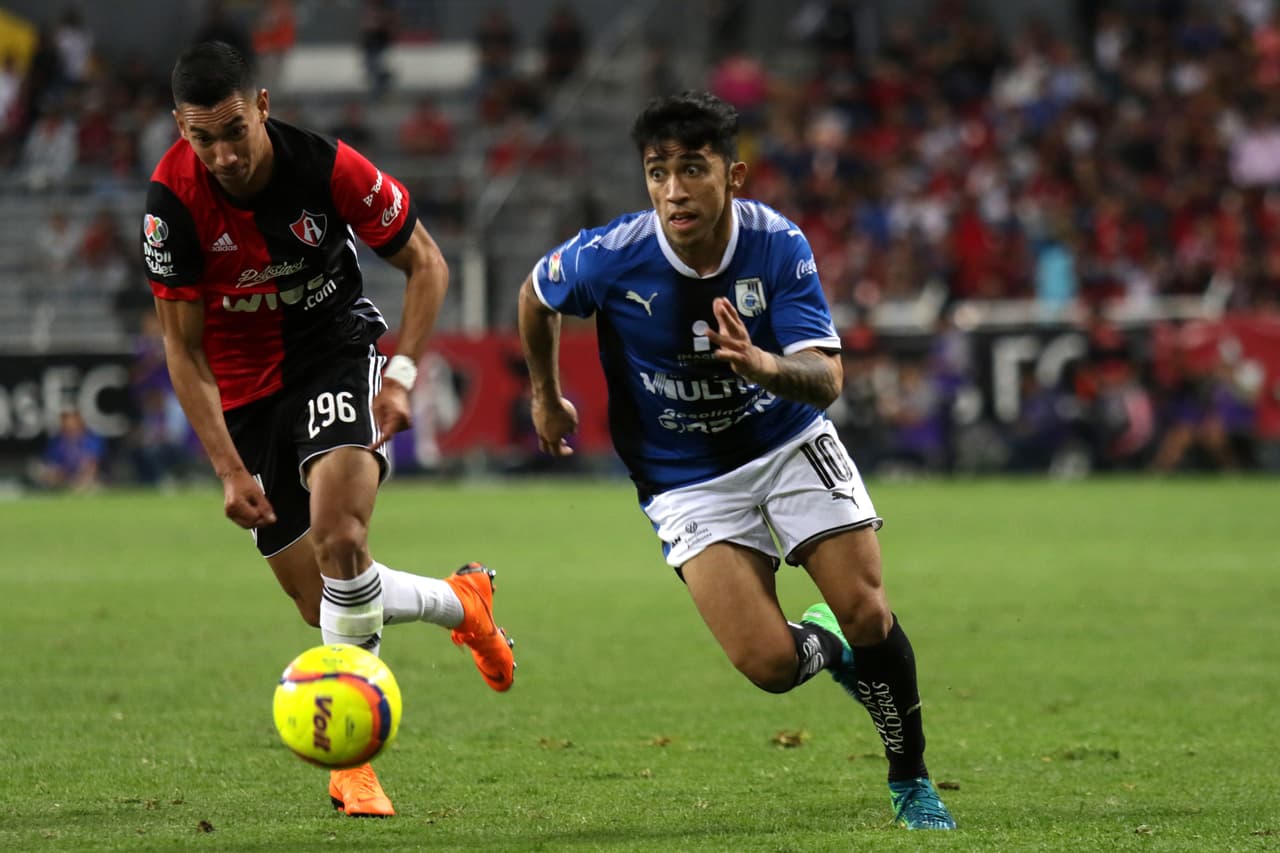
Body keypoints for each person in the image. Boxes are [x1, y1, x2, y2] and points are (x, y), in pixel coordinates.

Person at [517, 91, 956, 831]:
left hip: (785, 441)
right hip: (685, 476)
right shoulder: (612, 254)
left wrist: (761, 365)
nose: (674, 190)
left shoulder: (777, 244)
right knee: (772, 665)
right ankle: (827, 645)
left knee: (870, 612)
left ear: (734, 176)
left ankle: (911, 779)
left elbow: (827, 378)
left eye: (693, 169)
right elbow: (536, 295)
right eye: (658, 171)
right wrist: (545, 395)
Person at [143, 41, 515, 818]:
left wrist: (405, 373)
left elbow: (428, 262)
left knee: (340, 536)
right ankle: (463, 602)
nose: (220, 153)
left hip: (333, 354)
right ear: (180, 128)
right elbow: (181, 349)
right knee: (329, 606)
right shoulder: (171, 204)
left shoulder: (325, 168)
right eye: (199, 136)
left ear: (264, 106)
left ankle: (354, 764)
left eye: (233, 130)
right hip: (246, 402)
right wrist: (228, 469)